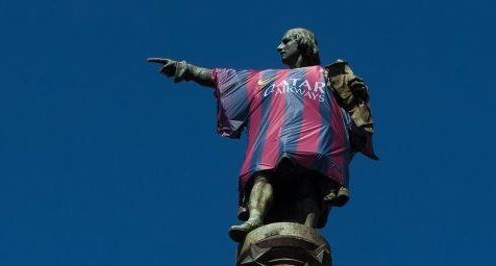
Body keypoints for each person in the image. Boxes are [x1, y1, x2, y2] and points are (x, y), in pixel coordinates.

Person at [149, 28, 376, 241]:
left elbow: (354, 107)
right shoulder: (266, 78)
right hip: (274, 137)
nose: (279, 47)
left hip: (315, 138)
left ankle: (305, 230)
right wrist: (186, 69)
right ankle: (255, 218)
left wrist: (358, 94)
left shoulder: (328, 75)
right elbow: (223, 78)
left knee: (310, 182)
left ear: (303, 43)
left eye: (286, 41)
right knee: (263, 174)